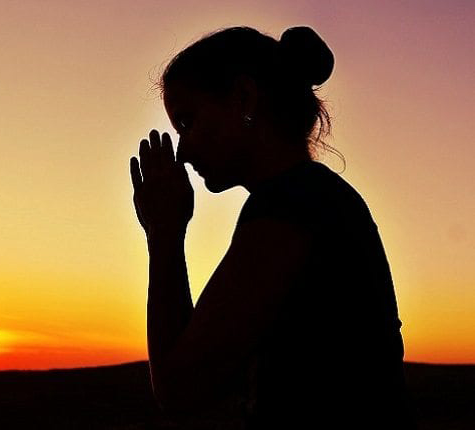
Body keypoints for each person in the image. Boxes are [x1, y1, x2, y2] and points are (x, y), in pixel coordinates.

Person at [129, 26, 417, 429]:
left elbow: (179, 387)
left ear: (244, 99)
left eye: (187, 122)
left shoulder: (291, 206)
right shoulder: (317, 199)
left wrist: (164, 235)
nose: (183, 151)